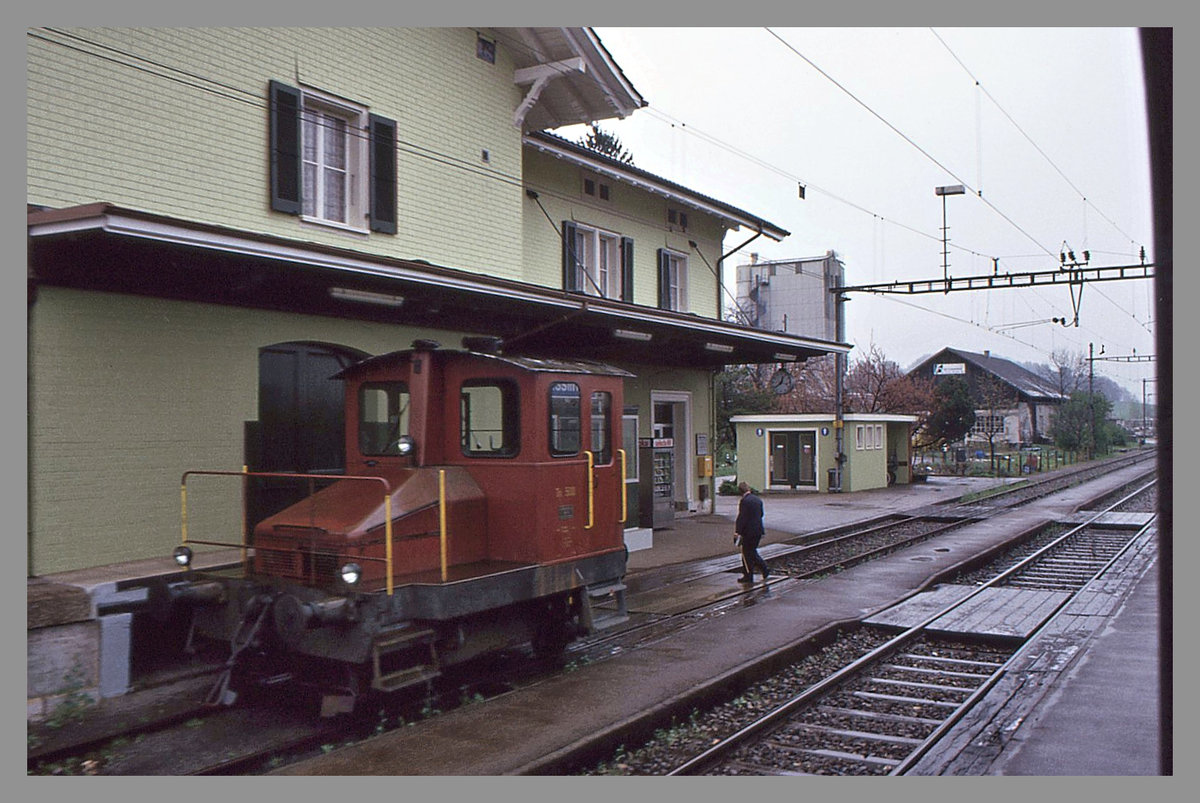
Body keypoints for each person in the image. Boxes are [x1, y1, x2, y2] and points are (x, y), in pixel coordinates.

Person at [733, 481, 770, 584]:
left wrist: (737, 531)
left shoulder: (744, 501)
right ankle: (756, 572)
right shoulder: (757, 499)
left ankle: (752, 574)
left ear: (740, 491)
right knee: (752, 552)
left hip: (748, 532)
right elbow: (761, 514)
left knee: (747, 553)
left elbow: (742, 518)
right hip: (758, 530)